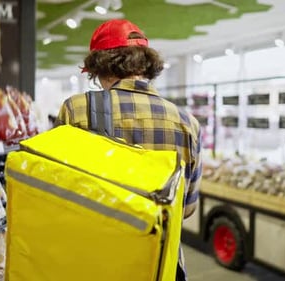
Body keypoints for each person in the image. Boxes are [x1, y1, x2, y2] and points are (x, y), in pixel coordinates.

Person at [55, 19, 202, 281]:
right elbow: (187, 208)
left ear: (100, 66)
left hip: (94, 263)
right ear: (146, 64)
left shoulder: (76, 110)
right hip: (161, 264)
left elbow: (56, 194)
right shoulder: (188, 123)